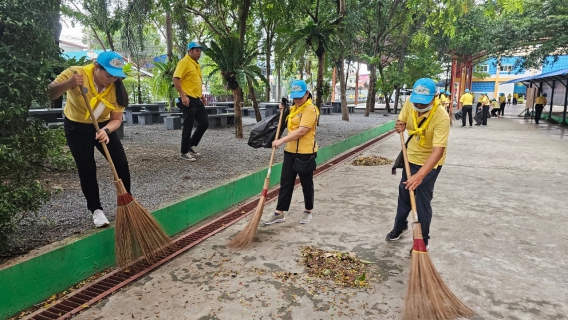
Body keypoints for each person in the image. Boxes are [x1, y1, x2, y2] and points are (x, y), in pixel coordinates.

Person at [48, 51, 131, 228]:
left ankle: (126, 203)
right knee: (87, 168)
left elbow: (116, 119)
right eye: (108, 75)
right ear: (96, 68)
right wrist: (69, 83)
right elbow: (51, 93)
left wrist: (105, 131)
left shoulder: (117, 89)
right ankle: (96, 210)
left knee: (120, 163)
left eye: (115, 77)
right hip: (76, 127)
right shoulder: (75, 73)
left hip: (102, 127)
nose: (111, 80)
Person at [385, 78, 450, 251]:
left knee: (421, 201)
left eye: (423, 104)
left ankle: (423, 240)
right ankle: (400, 227)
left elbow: (438, 151)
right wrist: (400, 125)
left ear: (434, 97)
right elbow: (402, 120)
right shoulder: (410, 103)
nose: (419, 107)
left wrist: (421, 175)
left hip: (430, 163)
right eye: (417, 103)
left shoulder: (441, 117)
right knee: (405, 194)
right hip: (411, 157)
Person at [264, 80, 320, 226]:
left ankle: (308, 210)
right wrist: (283, 108)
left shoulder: (311, 109)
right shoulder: (294, 108)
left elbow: (302, 131)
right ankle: (279, 213)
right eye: (295, 97)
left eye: (300, 97)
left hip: (305, 152)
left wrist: (281, 141)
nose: (297, 100)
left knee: (306, 183)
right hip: (290, 151)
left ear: (307, 94)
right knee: (286, 182)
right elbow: (288, 119)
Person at [173, 41, 209, 161]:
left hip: (196, 99)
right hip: (188, 100)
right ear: (190, 51)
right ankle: (184, 152)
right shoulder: (184, 62)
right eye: (197, 50)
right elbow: (176, 78)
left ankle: (190, 145)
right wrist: (183, 96)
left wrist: (201, 95)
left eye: (200, 51)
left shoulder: (195, 64)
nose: (199, 53)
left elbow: (194, 82)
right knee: (188, 126)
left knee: (204, 123)